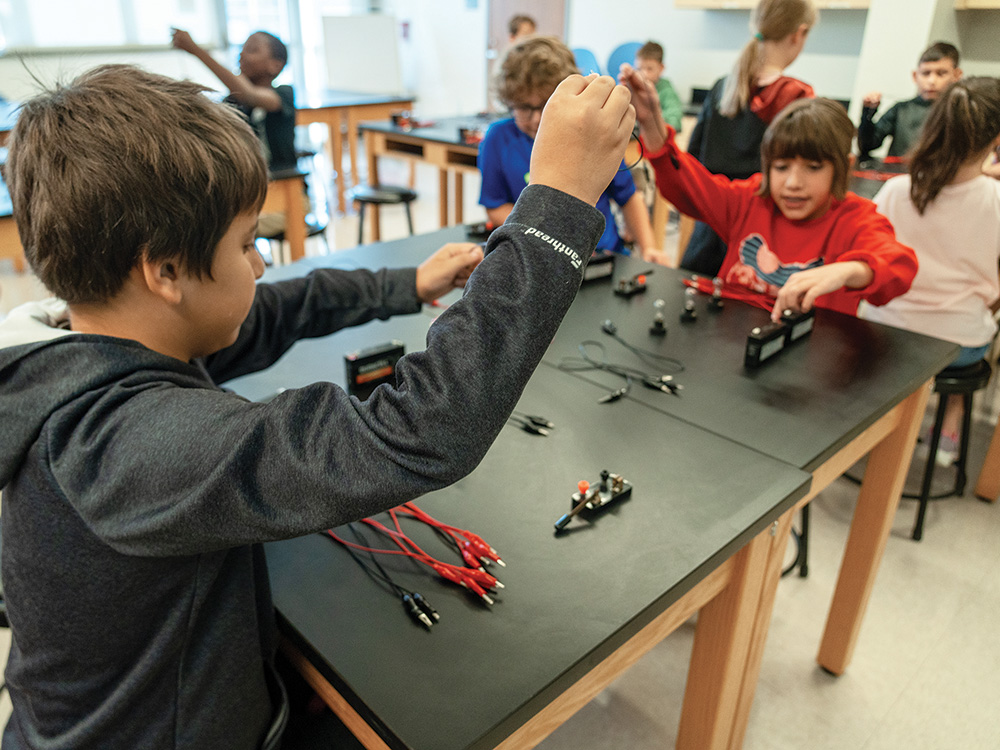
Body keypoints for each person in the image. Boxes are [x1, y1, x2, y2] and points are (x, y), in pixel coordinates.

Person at [0, 64, 634, 750]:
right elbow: (418, 431)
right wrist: (556, 206)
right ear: (166, 272)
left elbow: (265, 309)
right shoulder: (125, 449)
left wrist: (402, 285)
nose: (263, 264)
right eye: (247, 245)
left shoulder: (84, 343)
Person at [620, 65, 917, 321]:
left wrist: (848, 271)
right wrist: (652, 124)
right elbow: (688, 184)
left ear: (842, 168)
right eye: (781, 167)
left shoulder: (854, 219)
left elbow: (900, 266)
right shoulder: (750, 200)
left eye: (813, 168)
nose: (792, 183)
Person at [859, 77, 1000, 466]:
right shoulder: (996, 200)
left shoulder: (896, 191)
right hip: (957, 345)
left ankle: (883, 426)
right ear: (995, 140)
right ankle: (947, 427)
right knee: (973, 329)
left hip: (884, 332)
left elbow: (871, 261)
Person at [480, 35, 665, 263]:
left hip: (601, 257)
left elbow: (628, 197)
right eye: (525, 108)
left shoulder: (591, 134)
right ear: (509, 101)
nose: (537, 118)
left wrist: (648, 248)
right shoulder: (498, 138)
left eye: (546, 105)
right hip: (540, 260)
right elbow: (495, 206)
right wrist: (545, 237)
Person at [682, 0, 817, 277]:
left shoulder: (722, 86)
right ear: (798, 34)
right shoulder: (797, 96)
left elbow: (693, 155)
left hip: (708, 227)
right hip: (758, 234)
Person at [172, 28, 301, 237]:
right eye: (242, 48)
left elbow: (249, 95)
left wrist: (196, 50)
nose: (242, 54)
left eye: (252, 50)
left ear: (275, 65)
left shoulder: (284, 94)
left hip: (287, 198)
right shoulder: (232, 102)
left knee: (227, 236)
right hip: (246, 200)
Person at [857, 41, 962, 162]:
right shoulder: (901, 109)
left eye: (941, 73)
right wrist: (868, 112)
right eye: (926, 73)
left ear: (956, 75)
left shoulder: (961, 113)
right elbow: (867, 146)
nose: (932, 81)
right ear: (915, 75)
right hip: (898, 176)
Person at [633, 41, 683, 132]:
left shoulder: (667, 91)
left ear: (661, 68)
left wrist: (651, 119)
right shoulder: (633, 88)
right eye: (639, 69)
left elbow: (675, 121)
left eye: (649, 69)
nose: (643, 74)